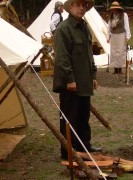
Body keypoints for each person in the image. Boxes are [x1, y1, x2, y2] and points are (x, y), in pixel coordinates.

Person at [52, 0, 102, 159]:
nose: (81, 8)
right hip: (70, 84)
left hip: (84, 81)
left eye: (84, 6)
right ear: (70, 7)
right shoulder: (63, 29)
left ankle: (84, 147)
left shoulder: (84, 27)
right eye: (78, 5)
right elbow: (62, 58)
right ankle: (68, 151)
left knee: (83, 116)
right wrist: (69, 79)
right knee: (69, 118)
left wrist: (93, 76)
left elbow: (89, 55)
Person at [106, 1, 131, 74]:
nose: (113, 11)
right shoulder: (111, 16)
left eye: (114, 9)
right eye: (112, 9)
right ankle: (114, 68)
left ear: (117, 9)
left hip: (121, 35)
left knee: (121, 52)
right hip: (113, 35)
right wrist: (108, 36)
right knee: (113, 52)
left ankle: (121, 68)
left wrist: (128, 36)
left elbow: (126, 25)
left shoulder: (124, 15)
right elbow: (109, 27)